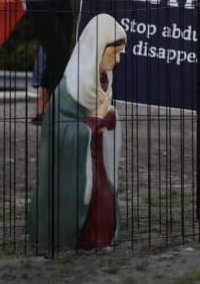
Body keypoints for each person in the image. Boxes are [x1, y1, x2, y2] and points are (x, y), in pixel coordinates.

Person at [28, 14, 127, 250]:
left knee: (102, 205)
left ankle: (96, 236)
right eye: (114, 52)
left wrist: (108, 120)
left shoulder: (103, 78)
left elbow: (103, 113)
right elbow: (59, 129)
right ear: (99, 49)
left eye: (121, 53)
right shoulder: (72, 86)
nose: (118, 60)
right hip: (74, 165)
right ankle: (66, 234)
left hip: (96, 160)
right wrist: (90, 127)